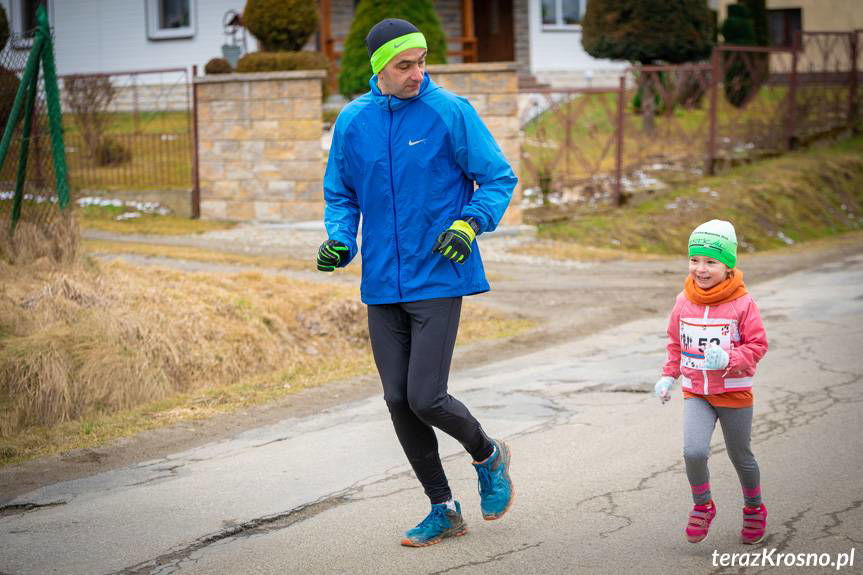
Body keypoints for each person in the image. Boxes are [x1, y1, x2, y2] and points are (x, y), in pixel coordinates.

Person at [316, 18, 518, 547]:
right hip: (381, 282)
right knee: (397, 399)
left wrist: (468, 223)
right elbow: (341, 195)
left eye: (422, 61)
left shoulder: (449, 112)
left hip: (438, 273)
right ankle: (443, 508)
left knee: (426, 396)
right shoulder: (353, 121)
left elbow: (497, 177)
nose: (416, 73)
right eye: (405, 65)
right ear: (378, 67)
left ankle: (488, 454)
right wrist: (341, 239)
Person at [654, 219, 769, 545]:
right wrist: (667, 375)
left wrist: (730, 360)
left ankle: (754, 508)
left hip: (733, 393)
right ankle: (703, 506)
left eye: (710, 262)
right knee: (693, 451)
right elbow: (676, 343)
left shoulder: (743, 303)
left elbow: (758, 345)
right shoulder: (683, 300)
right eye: (694, 260)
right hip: (697, 392)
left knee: (740, 456)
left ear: (728, 264)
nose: (700, 269)